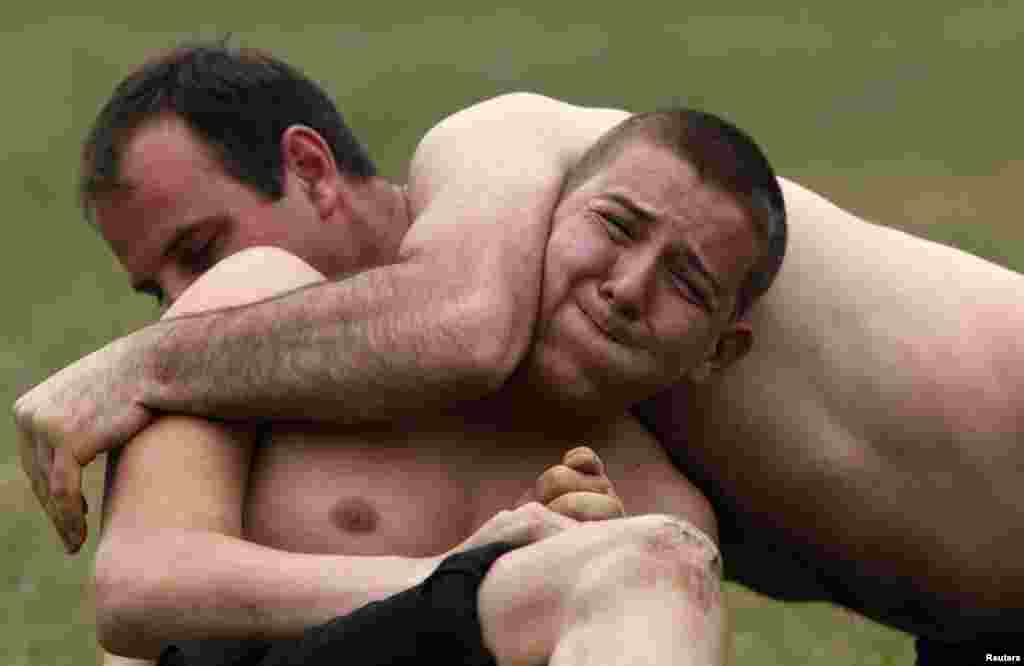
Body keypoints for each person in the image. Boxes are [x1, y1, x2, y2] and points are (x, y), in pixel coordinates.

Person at [17, 45, 1024, 663]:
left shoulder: (492, 141)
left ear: (314, 171)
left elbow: (456, 325)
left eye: (199, 254)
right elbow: (142, 604)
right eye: (156, 297)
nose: (186, 311)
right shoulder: (577, 402)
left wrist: (135, 366)